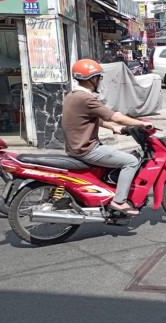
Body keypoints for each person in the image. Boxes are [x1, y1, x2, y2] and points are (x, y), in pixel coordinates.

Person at [62, 59, 152, 216]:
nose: (100, 81)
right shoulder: (87, 98)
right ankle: (119, 201)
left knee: (117, 156)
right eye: (98, 77)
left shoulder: (72, 95)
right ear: (92, 79)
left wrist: (112, 128)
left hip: (75, 147)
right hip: (87, 149)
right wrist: (140, 124)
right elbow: (115, 116)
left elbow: (91, 117)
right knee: (131, 160)